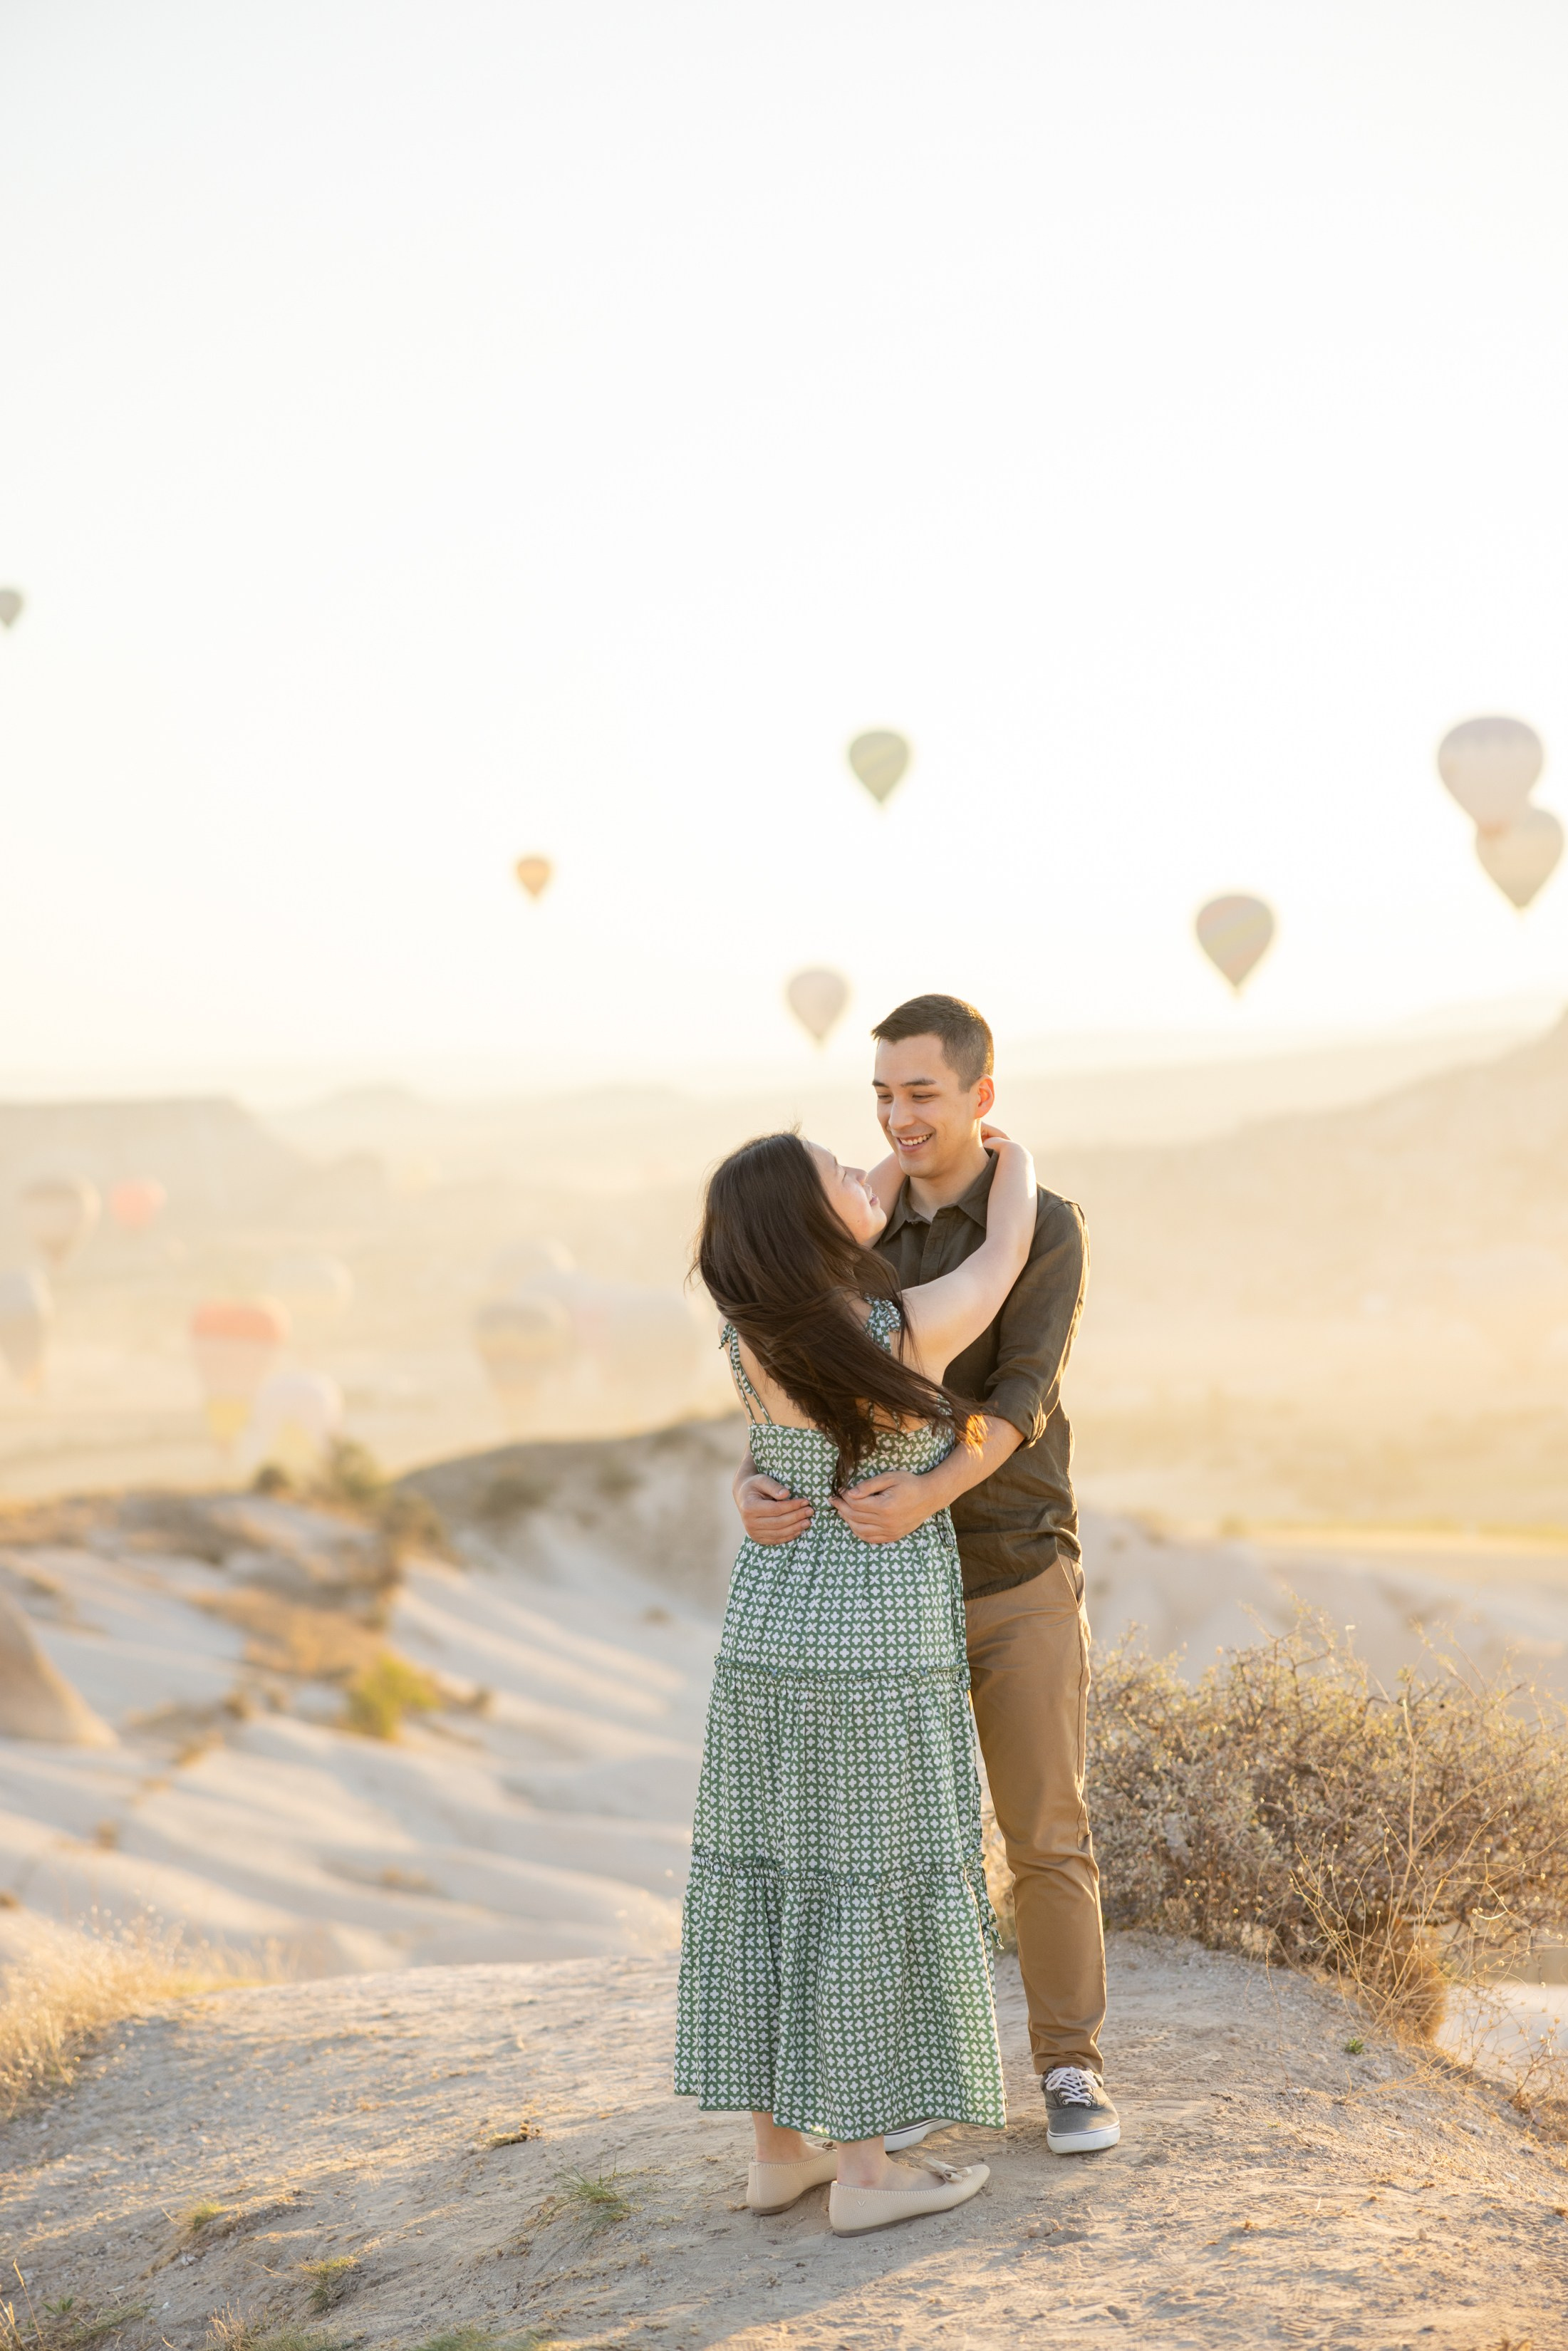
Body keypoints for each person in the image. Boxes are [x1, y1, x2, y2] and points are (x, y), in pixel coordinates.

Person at [735, 994, 1117, 2158]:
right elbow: (796, 1378)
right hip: (881, 1594)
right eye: (881, 1095)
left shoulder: (1045, 1225)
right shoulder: (848, 1225)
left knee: (1043, 1830)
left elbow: (1022, 1395)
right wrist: (751, 1481)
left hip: (1007, 1566)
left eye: (920, 1094)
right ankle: (915, 2084)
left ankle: (1068, 2069)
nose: (897, 1118)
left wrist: (928, 1494)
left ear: (978, 1096)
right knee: (897, 1851)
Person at [675, 1123, 1039, 2235]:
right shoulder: (895, 1330)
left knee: (774, 1873)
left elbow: (843, 1206)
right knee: (862, 1880)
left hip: (768, 1630)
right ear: (807, 1218)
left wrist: (853, 1180)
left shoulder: (749, 1330)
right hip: (868, 1636)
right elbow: (1001, 1257)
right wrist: (1011, 1157)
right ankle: (867, 2174)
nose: (861, 1169)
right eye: (835, 1170)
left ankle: (777, 2157)